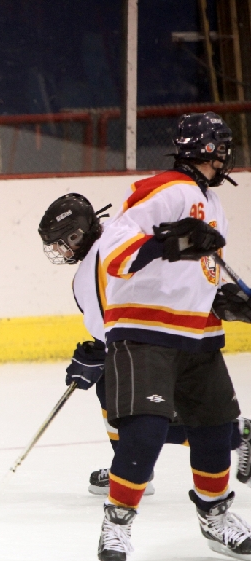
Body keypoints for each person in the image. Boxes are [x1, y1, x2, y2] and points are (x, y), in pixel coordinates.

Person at [95, 112, 251, 561]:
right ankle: (117, 522)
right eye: (222, 149)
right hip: (145, 333)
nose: (226, 158)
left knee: (215, 429)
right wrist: (163, 244)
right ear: (208, 151)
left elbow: (197, 271)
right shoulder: (164, 189)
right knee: (144, 431)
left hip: (198, 335)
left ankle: (215, 517)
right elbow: (113, 254)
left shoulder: (212, 202)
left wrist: (223, 301)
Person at [38, 194, 251, 496]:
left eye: (65, 242)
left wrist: (99, 353)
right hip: (175, 331)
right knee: (134, 403)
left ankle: (232, 435)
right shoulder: (122, 230)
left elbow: (110, 326)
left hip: (154, 344)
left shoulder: (89, 271)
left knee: (132, 407)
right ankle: (140, 464)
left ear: (79, 233)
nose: (62, 251)